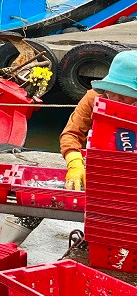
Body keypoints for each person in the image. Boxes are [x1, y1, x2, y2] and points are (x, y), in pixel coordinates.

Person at [60, 49, 137, 190]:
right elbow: (71, 133)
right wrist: (74, 162)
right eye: (112, 92)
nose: (116, 99)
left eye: (124, 95)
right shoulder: (93, 98)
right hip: (101, 164)